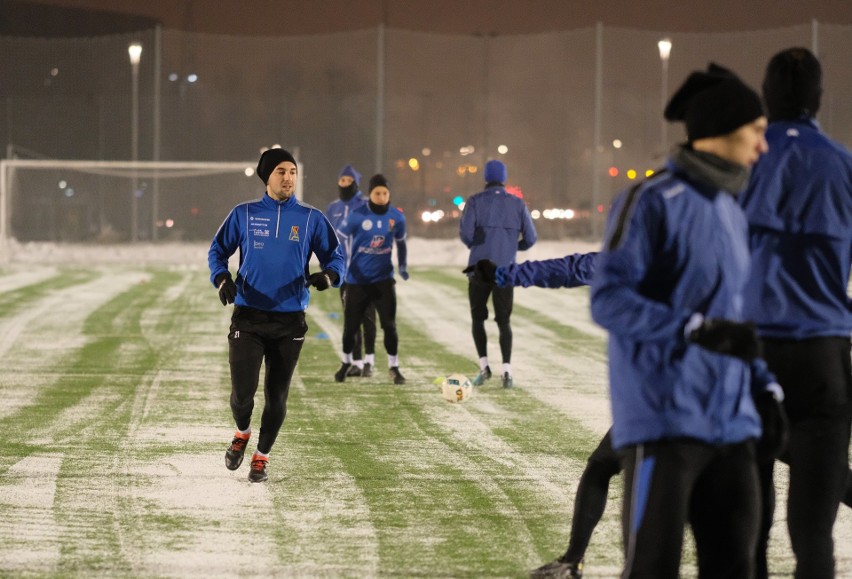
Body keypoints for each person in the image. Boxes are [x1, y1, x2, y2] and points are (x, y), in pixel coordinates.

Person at [589, 63, 773, 577]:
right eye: (757, 132)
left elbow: (735, 317)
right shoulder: (649, 200)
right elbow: (609, 299)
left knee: (738, 566)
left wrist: (765, 388)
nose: (763, 147)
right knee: (652, 568)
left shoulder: (734, 209)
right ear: (721, 131)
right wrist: (692, 329)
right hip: (665, 424)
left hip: (732, 427)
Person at [741, 47, 852, 579]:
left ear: (766, 98)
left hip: (752, 354)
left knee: (747, 528)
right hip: (825, 355)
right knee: (813, 533)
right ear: (819, 101)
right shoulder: (844, 163)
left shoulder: (743, 164)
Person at [208, 148, 345, 483]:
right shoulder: (244, 214)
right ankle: (242, 432)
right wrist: (222, 277)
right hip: (249, 316)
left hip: (289, 320)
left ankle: (261, 457)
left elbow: (336, 256)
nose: (288, 178)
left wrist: (328, 276)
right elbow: (217, 250)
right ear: (266, 177)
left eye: (293, 172)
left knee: (277, 395)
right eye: (281, 171)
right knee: (242, 393)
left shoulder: (311, 218)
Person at [459, 159, 537, 389]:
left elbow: (465, 233)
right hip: (506, 268)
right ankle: (507, 371)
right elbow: (531, 238)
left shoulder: (474, 201)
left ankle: (484, 366)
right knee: (504, 321)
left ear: (486, 177)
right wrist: (514, 248)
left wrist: (477, 246)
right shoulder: (518, 204)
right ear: (503, 178)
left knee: (477, 318)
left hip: (479, 268)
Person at [333, 173, 409, 385]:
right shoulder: (357, 215)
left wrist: (402, 265)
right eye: (377, 193)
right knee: (350, 327)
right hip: (357, 281)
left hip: (383, 281)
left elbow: (401, 243)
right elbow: (341, 238)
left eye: (385, 193)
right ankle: (347, 362)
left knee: (389, 325)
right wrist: (344, 264)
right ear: (370, 194)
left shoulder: (397, 217)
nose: (382, 196)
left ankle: (394, 367)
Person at [326, 164, 378, 377]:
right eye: (342, 181)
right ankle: (356, 361)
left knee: (368, 317)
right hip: (344, 272)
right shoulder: (333, 208)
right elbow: (327, 238)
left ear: (355, 182)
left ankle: (369, 361)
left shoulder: (367, 205)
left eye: (348, 181)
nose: (345, 185)